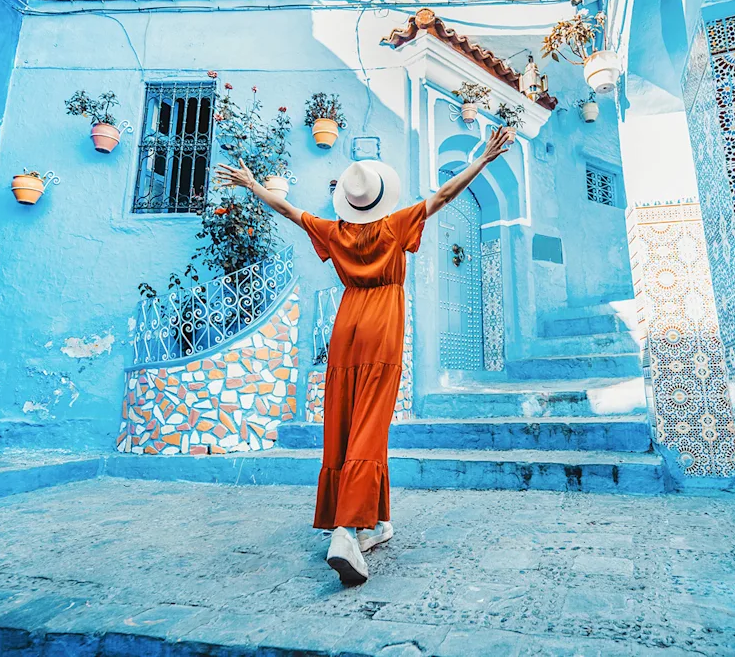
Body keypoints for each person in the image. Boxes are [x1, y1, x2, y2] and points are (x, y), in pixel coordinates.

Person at [215, 126, 512, 585]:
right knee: (371, 426)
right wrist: (484, 159)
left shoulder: (333, 231)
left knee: (346, 422)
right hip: (382, 325)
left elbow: (288, 209)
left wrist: (253, 185)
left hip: (346, 324)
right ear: (380, 197)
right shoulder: (395, 225)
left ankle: (375, 521)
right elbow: (447, 194)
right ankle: (345, 530)